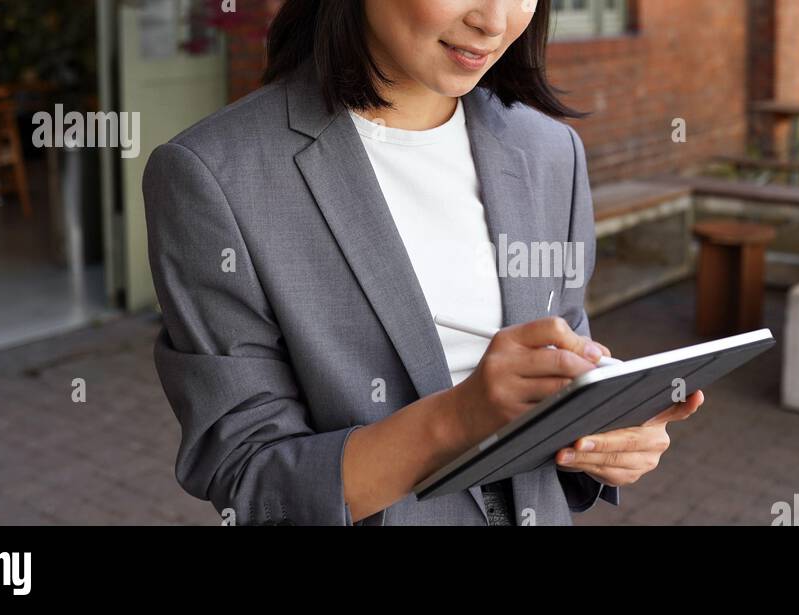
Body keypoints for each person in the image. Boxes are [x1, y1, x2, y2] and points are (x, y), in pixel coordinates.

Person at [143, 0, 706, 526]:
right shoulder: (215, 175)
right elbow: (250, 478)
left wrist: (600, 429)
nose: (493, 21)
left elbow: (564, 351)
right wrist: (457, 419)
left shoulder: (550, 151)